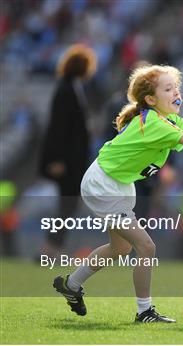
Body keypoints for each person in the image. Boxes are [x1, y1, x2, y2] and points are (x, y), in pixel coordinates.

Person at [53, 64, 183, 323]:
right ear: (151, 99)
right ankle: (144, 311)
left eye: (176, 87)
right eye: (168, 89)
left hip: (118, 184)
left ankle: (71, 284)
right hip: (103, 185)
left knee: (120, 248)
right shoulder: (154, 122)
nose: (176, 92)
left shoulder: (168, 118)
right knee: (146, 246)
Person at [39, 44, 97, 258]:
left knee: (68, 205)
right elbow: (58, 127)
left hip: (73, 160)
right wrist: (55, 159)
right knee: (67, 205)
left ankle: (52, 247)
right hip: (66, 161)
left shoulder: (72, 87)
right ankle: (50, 248)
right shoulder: (66, 90)